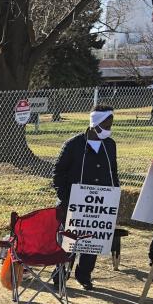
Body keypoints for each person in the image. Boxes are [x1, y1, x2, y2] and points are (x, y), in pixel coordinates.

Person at [52, 104, 119, 290]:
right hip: (73, 202)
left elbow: (113, 172)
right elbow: (59, 172)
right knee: (70, 239)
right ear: (95, 123)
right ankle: (60, 274)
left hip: (100, 204)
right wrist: (65, 197)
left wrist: (114, 195)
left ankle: (84, 274)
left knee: (93, 239)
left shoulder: (110, 145)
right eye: (106, 125)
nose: (109, 129)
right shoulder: (73, 144)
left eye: (111, 125)